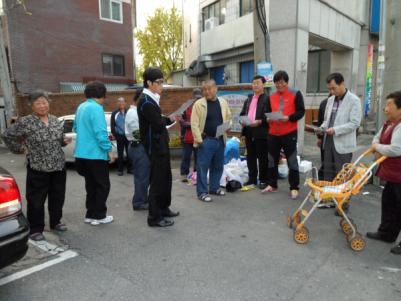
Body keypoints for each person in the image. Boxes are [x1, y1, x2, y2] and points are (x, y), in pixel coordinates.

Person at [1, 90, 71, 241]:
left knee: (57, 197)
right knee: (36, 200)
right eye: (38, 103)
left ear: (48, 103)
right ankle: (36, 229)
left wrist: (63, 141)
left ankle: (56, 221)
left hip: (58, 166)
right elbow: (7, 135)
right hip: (38, 167)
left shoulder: (54, 120)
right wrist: (20, 149)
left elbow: (58, 139)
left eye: (44, 102)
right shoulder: (26, 121)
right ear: (31, 106)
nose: (42, 106)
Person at [137, 67, 179, 227]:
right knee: (157, 182)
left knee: (166, 178)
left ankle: (163, 208)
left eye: (163, 82)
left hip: (160, 144)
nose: (162, 85)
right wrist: (168, 120)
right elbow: (157, 123)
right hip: (154, 147)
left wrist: (169, 119)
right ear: (149, 83)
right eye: (159, 82)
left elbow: (158, 120)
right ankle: (154, 217)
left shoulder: (152, 99)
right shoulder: (146, 101)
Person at [74, 81, 115, 226]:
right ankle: (99, 215)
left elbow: (75, 128)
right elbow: (101, 133)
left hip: (81, 154)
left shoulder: (81, 106)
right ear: (102, 95)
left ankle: (90, 214)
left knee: (90, 186)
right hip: (95, 155)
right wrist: (109, 150)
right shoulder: (97, 108)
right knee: (102, 186)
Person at [366, 91, 401, 255]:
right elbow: (376, 138)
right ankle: (386, 233)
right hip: (392, 175)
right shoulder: (389, 123)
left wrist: (377, 148)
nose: (385, 109)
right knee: (388, 203)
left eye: (389, 105)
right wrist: (376, 146)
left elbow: (396, 149)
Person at [262, 70, 305, 199]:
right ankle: (272, 184)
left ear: (287, 82)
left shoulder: (295, 93)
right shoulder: (271, 97)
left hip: (289, 132)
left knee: (291, 160)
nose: (279, 85)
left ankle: (294, 187)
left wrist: (289, 118)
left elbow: (301, 111)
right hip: (273, 133)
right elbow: (266, 112)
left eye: (281, 82)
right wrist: (268, 119)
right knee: (271, 160)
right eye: (277, 83)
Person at [191, 79, 232, 202]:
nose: (207, 91)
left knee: (218, 166)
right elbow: (194, 124)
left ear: (216, 89)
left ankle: (214, 188)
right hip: (206, 140)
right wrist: (200, 141)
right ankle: (202, 192)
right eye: (204, 89)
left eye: (209, 88)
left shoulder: (223, 102)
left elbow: (228, 117)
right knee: (202, 167)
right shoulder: (199, 104)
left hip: (220, 139)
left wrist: (229, 126)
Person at [320, 73, 362, 182]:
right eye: (329, 89)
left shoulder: (354, 100)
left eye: (334, 88)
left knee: (342, 172)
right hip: (328, 139)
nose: (332, 92)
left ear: (342, 83)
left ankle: (342, 197)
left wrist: (335, 130)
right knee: (328, 170)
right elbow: (326, 120)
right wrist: (321, 128)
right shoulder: (330, 100)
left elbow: (355, 123)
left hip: (343, 142)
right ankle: (328, 195)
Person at [239, 75, 269, 189]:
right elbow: (242, 113)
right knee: (250, 157)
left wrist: (260, 121)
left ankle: (263, 180)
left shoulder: (267, 99)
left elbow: (269, 116)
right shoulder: (248, 99)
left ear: (263, 85)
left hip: (261, 132)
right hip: (249, 131)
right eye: (253, 83)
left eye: (258, 83)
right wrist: (242, 120)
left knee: (262, 157)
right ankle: (252, 179)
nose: (255, 85)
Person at [125, 88, 149, 211]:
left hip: (139, 146)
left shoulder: (136, 112)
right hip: (138, 146)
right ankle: (139, 202)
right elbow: (138, 134)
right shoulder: (133, 114)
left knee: (145, 176)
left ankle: (143, 199)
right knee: (141, 176)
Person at [179, 88, 202, 182]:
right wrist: (190, 124)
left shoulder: (203, 106)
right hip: (187, 136)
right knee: (186, 156)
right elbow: (180, 120)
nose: (197, 99)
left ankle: (196, 174)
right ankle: (184, 174)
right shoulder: (185, 106)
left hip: (198, 137)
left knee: (198, 157)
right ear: (193, 96)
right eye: (196, 97)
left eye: (199, 97)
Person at [111, 97, 129, 176]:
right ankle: (120, 170)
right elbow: (112, 125)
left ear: (125, 103)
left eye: (122, 102)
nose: (121, 104)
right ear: (117, 104)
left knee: (130, 153)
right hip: (120, 136)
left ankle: (130, 169)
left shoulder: (129, 112)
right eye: (119, 102)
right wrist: (116, 135)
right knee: (120, 153)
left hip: (129, 136)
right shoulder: (115, 113)